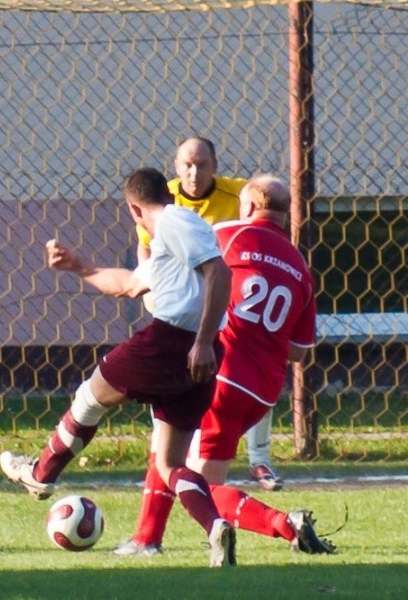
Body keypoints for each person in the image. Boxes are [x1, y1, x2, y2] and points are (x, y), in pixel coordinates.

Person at [0, 167, 237, 568]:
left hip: (172, 341)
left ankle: (40, 474)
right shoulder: (170, 239)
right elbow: (129, 284)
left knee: (88, 398)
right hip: (200, 350)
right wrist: (79, 266)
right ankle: (215, 528)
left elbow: (220, 272)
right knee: (169, 465)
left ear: (134, 208)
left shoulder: (175, 221)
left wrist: (200, 341)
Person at [115, 175, 337, 557]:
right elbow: (298, 352)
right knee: (183, 462)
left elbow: (184, 270)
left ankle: (285, 524)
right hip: (261, 392)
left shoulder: (229, 233)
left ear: (247, 207)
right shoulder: (300, 267)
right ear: (286, 216)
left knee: (185, 473)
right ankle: (147, 539)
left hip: (219, 374)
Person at [137, 136, 284, 494]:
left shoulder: (240, 195)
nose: (194, 172)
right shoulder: (162, 199)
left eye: (202, 164)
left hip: (228, 302)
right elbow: (145, 250)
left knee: (249, 364)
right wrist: (154, 295)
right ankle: (172, 452)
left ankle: (259, 457)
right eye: (187, 164)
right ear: (175, 166)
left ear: (215, 166)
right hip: (181, 303)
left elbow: (264, 228)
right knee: (174, 373)